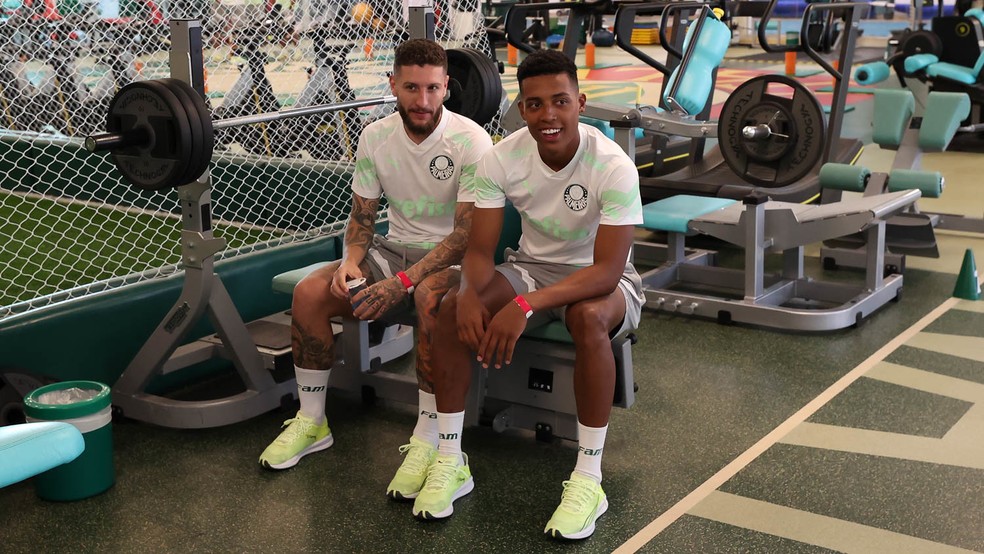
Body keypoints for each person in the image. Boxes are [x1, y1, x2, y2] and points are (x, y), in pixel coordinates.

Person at [411, 49, 644, 540]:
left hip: (603, 279)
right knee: (453, 307)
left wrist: (522, 305)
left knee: (586, 318)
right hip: (531, 267)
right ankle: (451, 459)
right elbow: (480, 248)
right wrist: (473, 290)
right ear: (522, 108)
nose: (548, 115)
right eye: (535, 105)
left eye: (560, 101)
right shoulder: (502, 157)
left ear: (581, 101)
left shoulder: (614, 166)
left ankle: (588, 478)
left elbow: (606, 270)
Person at [258, 38, 494, 503]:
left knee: (429, 300)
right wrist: (349, 261)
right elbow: (363, 219)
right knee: (309, 293)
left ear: (447, 87)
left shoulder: (471, 139)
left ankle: (428, 438)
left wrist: (401, 283)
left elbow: (464, 237)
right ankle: (312, 421)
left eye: (431, 88)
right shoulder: (374, 136)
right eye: (411, 87)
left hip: (452, 261)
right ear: (392, 85)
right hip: (393, 249)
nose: (422, 100)